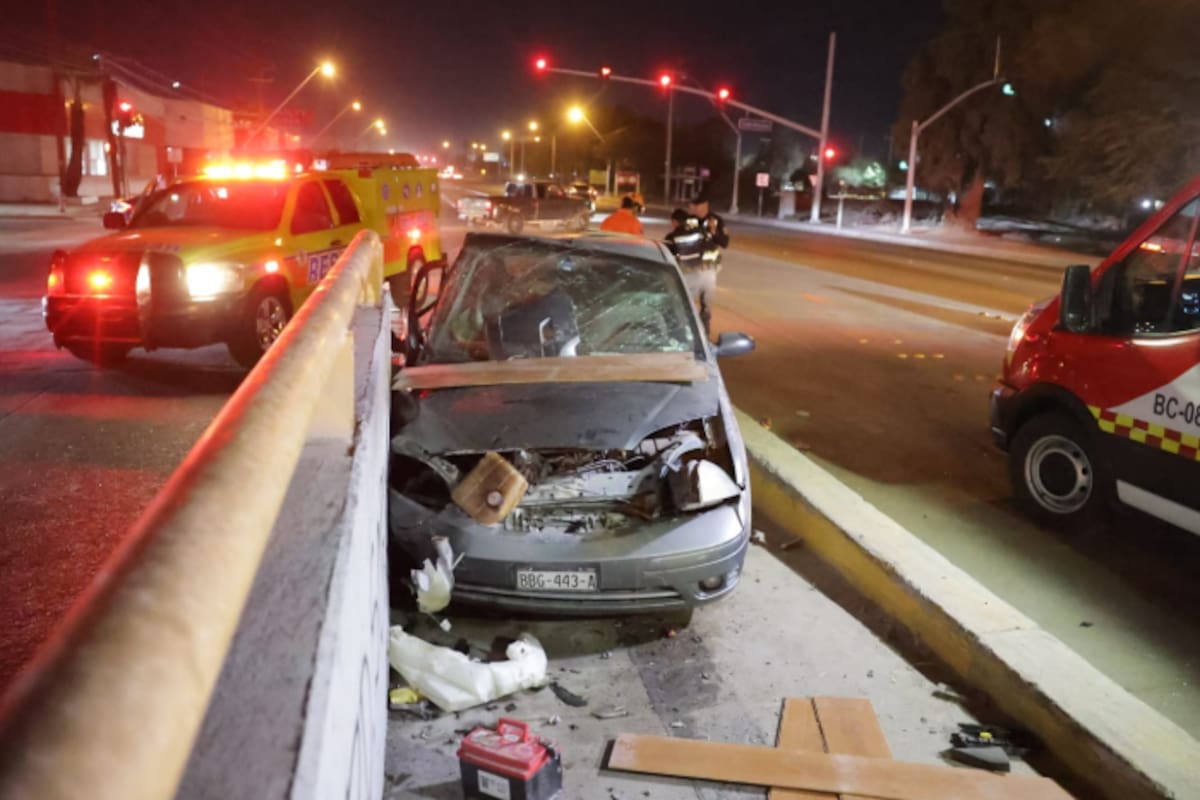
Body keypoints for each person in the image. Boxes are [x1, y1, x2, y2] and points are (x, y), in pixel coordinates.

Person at [664, 208, 717, 334]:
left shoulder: (673, 236)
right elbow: (712, 245)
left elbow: (668, 257)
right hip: (709, 274)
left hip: (690, 274)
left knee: (686, 306)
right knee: (706, 308)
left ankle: (687, 335)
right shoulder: (700, 232)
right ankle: (705, 335)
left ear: (675, 222)